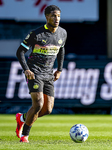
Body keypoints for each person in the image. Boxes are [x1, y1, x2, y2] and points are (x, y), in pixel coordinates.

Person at [15, 5, 67, 143]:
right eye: (53, 16)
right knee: (38, 104)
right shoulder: (36, 34)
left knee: (47, 109)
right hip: (34, 72)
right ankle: (25, 136)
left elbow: (61, 50)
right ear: (47, 17)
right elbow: (20, 51)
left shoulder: (62, 33)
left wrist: (59, 69)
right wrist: (26, 69)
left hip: (48, 74)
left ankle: (22, 118)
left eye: (58, 16)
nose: (57, 19)